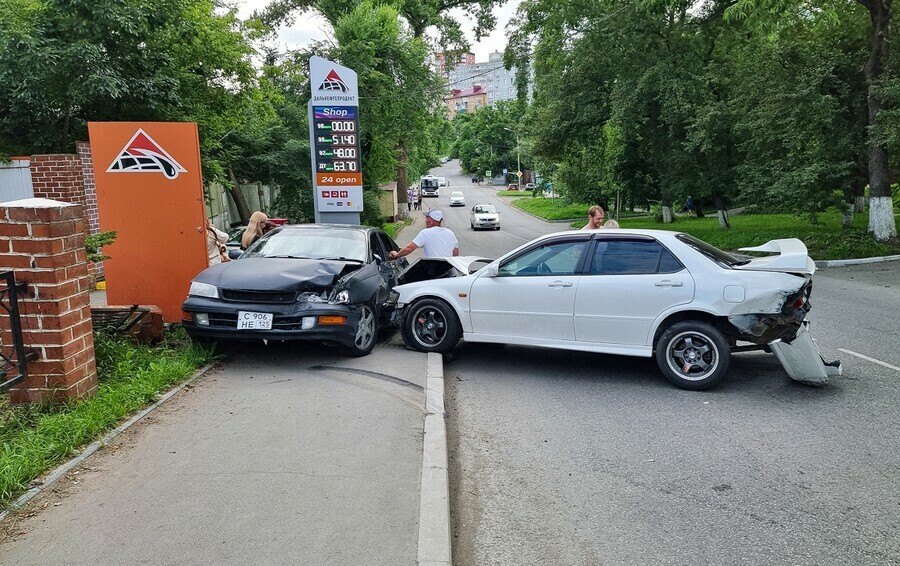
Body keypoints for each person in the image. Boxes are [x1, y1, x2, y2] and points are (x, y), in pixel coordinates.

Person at [390, 208, 459, 259]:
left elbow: (409, 249)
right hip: (450, 269)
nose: (425, 221)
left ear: (431, 221)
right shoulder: (451, 233)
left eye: (427, 219)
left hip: (435, 271)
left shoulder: (426, 233)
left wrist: (396, 255)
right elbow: (455, 253)